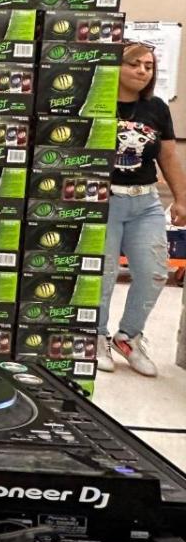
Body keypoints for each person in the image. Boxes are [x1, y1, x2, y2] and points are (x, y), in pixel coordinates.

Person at [98, 41, 186, 376]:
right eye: (134, 63)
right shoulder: (99, 104)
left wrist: (181, 198)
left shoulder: (157, 108)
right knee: (103, 277)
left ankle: (129, 337)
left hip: (145, 201)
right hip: (105, 200)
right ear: (116, 66)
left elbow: (168, 156)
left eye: (148, 66)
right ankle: (96, 338)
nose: (142, 71)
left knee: (154, 273)